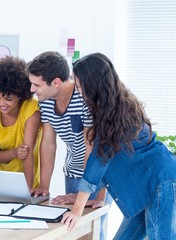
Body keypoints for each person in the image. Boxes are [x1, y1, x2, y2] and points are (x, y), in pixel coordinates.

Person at [61, 52, 176, 240]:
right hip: (145, 185)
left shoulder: (116, 114)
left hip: (161, 181)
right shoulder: (111, 107)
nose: (77, 89)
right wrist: (83, 199)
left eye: (79, 84)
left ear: (93, 84)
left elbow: (98, 160)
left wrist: (77, 209)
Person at [27, 51, 111, 240]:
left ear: (56, 82)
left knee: (95, 232)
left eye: (37, 84)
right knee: (73, 231)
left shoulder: (84, 97)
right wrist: (43, 186)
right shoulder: (45, 101)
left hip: (95, 176)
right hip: (72, 173)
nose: (32, 89)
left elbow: (92, 148)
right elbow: (48, 144)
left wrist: (91, 191)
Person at [0, 56, 41, 189]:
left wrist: (27, 189)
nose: (2, 103)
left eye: (8, 98)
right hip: (0, 183)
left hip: (29, 182)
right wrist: (14, 153)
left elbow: (27, 153)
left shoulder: (31, 109)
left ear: (20, 94)